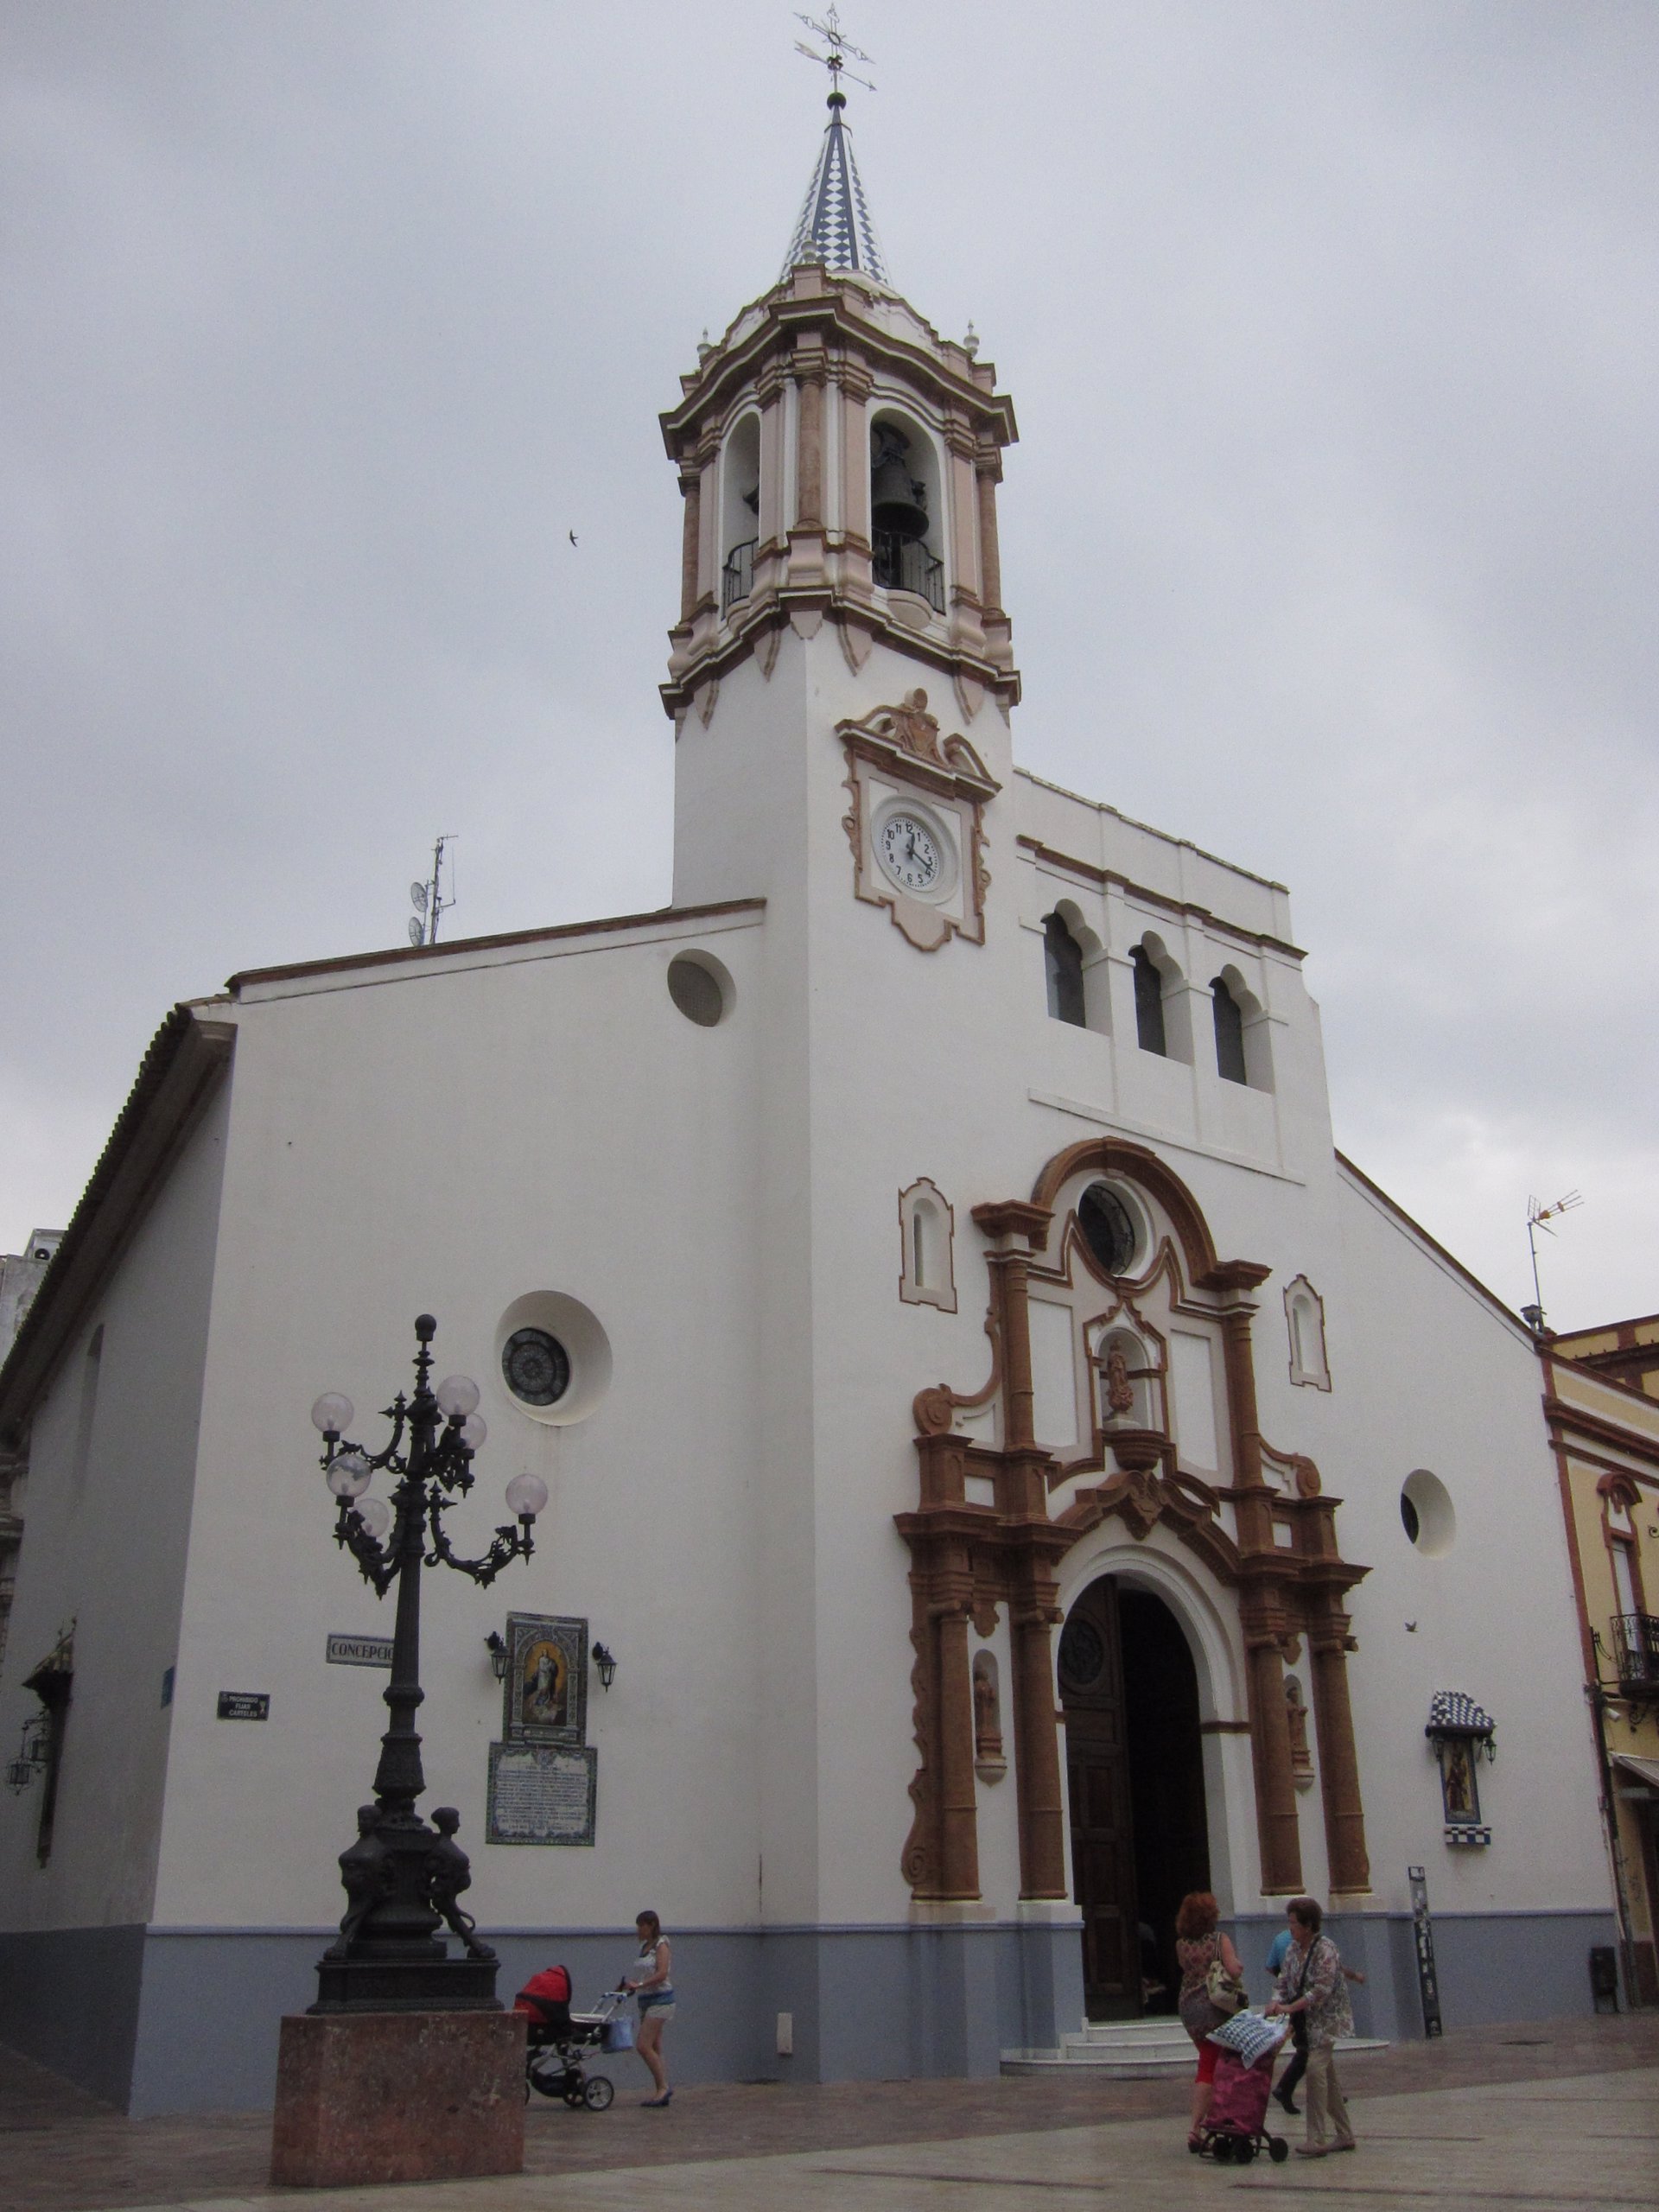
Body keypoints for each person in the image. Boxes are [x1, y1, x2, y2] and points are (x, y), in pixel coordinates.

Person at [1267, 1897, 1357, 2158]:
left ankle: (1316, 2139)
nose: (1290, 1927)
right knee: (1328, 2080)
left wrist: (1289, 2008)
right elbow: (1283, 1980)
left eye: (1294, 1922)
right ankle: (1345, 2133)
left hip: (1327, 2022)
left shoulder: (1326, 1950)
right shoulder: (1293, 1950)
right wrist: (1275, 2000)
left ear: (1308, 1925)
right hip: (1307, 2024)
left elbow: (1321, 1991)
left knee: (1315, 2071)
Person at [1174, 1891, 1243, 2148]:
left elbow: (1186, 1967)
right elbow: (1233, 1969)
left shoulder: (1181, 1944)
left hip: (1190, 2008)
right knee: (1208, 2067)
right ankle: (1195, 2128)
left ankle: (1216, 2116)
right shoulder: (1218, 1940)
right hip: (1215, 2008)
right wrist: (1236, 1965)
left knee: (1212, 2061)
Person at [623, 1910, 675, 2107]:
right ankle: (661, 2089)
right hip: (646, 2001)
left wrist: (641, 1985)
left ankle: (663, 2088)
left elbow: (661, 1973)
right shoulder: (644, 1947)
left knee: (643, 2045)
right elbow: (643, 1975)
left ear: (651, 1925)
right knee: (655, 2046)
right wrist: (630, 1985)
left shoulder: (661, 1945)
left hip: (661, 2001)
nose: (638, 1930)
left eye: (641, 1926)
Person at [1264, 1925, 1305, 2114]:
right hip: (1300, 2002)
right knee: (1308, 2050)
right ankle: (1284, 2087)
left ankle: (1333, 2092)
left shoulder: (1280, 1939)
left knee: (1317, 2052)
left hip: (1291, 1999)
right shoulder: (1299, 1945)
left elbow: (1271, 1967)